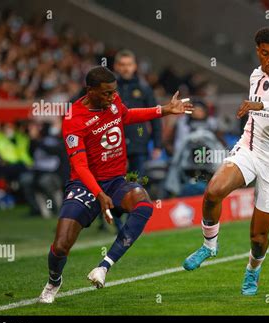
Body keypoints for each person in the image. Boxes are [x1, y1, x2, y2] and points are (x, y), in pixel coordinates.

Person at [38, 66, 192, 303]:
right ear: (90, 91)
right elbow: (80, 165)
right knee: (60, 246)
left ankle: (104, 266)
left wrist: (164, 110)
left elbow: (127, 115)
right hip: (85, 186)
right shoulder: (73, 119)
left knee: (144, 205)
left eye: (114, 93)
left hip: (117, 181)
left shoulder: (113, 102)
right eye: (107, 93)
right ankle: (54, 281)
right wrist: (98, 194)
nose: (112, 98)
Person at [182, 27, 269, 295]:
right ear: (258, 51)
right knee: (214, 190)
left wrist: (263, 106)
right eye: (265, 53)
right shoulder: (256, 74)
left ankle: (252, 270)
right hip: (249, 150)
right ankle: (209, 246)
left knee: (258, 237)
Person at [113, 49, 162, 176]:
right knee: (115, 184)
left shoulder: (144, 88)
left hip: (138, 143)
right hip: (113, 143)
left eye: (129, 64)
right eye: (122, 65)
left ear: (134, 66)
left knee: (137, 184)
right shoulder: (110, 88)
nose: (126, 68)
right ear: (116, 66)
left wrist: (157, 145)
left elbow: (156, 115)